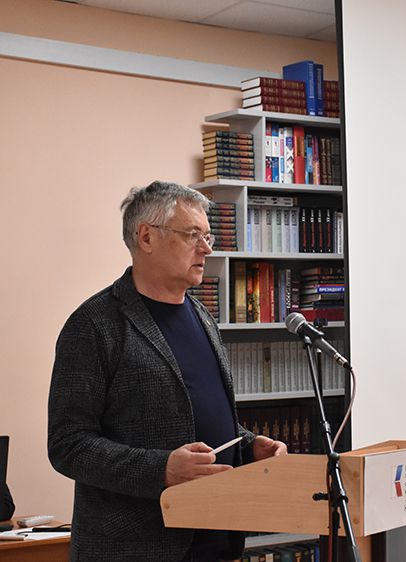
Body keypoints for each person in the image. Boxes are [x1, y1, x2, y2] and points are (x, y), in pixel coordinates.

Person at [48, 181, 287, 561]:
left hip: (216, 542)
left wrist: (247, 445)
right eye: (193, 235)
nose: (207, 248)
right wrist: (160, 469)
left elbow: (197, 418)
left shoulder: (202, 316)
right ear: (146, 237)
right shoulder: (94, 325)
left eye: (207, 236)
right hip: (136, 550)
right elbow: (68, 445)